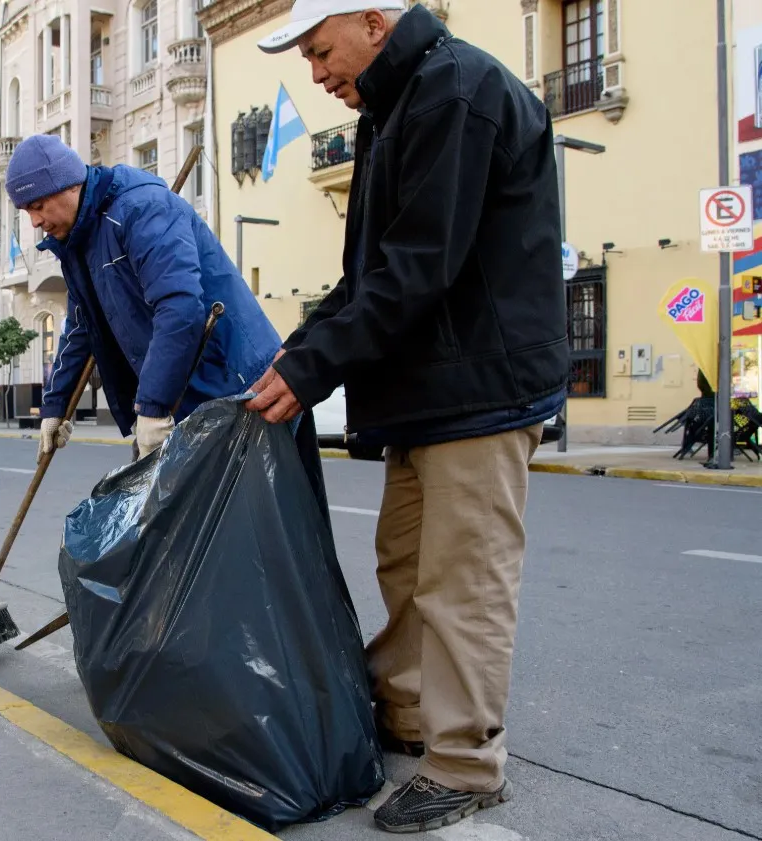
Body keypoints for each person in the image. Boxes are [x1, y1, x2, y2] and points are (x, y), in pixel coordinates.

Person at [248, 2, 568, 833]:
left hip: (480, 389)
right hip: (430, 392)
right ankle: (407, 716)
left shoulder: (453, 92)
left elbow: (419, 264)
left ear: (373, 23)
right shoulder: (396, 105)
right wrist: (294, 354)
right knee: (406, 567)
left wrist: (312, 367)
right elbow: (370, 274)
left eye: (320, 51)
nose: (316, 74)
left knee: (462, 583)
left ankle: (465, 764)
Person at [4, 133, 284, 462]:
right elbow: (81, 328)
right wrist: (55, 407)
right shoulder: (78, 244)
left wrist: (153, 407)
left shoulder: (142, 208)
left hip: (243, 388)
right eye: (26, 211)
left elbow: (180, 307)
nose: (35, 222)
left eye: (38, 206)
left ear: (70, 185)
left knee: (259, 497)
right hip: (186, 395)